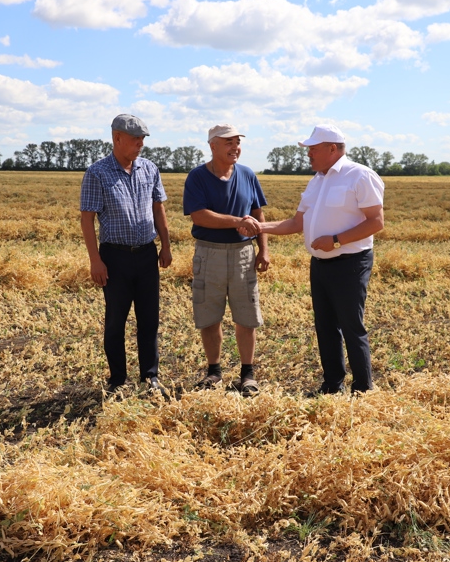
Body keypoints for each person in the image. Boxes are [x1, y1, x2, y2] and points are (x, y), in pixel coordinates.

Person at [254, 124, 384, 394]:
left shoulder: (359, 175)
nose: (308, 154)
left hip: (350, 263)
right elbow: (296, 222)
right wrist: (260, 227)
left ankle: (363, 389)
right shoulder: (317, 180)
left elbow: (376, 222)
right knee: (325, 326)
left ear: (332, 149)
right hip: (320, 265)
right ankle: (332, 386)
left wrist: (335, 240)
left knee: (351, 325)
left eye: (313, 149)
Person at [80, 114, 173, 397]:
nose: (140, 144)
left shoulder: (149, 169)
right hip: (115, 258)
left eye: (143, 139)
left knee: (149, 319)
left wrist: (166, 245)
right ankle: (118, 379)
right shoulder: (97, 173)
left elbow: (158, 209)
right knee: (116, 321)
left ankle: (150, 376)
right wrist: (95, 260)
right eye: (135, 139)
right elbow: (87, 220)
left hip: (146, 255)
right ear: (117, 138)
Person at [183, 124, 270, 393]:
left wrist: (263, 249)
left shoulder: (247, 175)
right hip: (209, 253)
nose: (235, 147)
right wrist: (238, 221)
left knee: (246, 315)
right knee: (209, 316)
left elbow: (258, 215)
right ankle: (214, 372)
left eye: (237, 142)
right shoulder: (197, 177)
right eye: (228, 142)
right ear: (212, 146)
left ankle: (248, 373)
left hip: (244, 254)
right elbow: (200, 216)